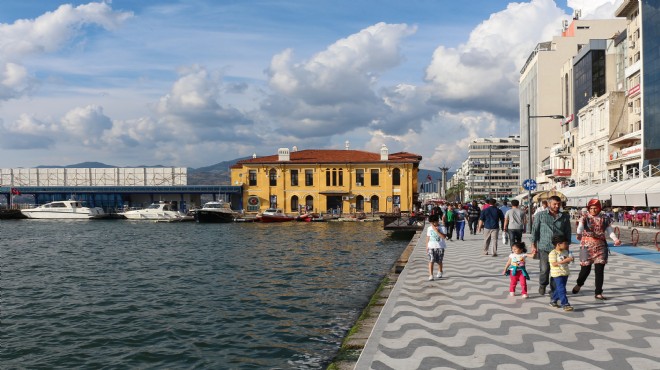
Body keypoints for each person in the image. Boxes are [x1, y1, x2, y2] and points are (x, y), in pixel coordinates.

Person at [572, 199, 621, 300]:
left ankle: (598, 292)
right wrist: (579, 234)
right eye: (591, 208)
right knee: (585, 270)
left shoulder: (604, 218)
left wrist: (615, 239)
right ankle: (579, 284)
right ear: (588, 208)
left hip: (601, 246)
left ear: (599, 208)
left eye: (595, 208)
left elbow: (609, 231)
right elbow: (580, 227)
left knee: (599, 270)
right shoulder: (585, 217)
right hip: (586, 246)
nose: (593, 210)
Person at [531, 195, 572, 296]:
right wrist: (533, 244)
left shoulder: (565, 216)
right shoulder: (540, 215)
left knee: (556, 270)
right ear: (549, 204)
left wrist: (567, 246)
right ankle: (543, 284)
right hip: (544, 246)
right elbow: (535, 230)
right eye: (554, 204)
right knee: (544, 269)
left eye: (559, 204)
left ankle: (553, 289)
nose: (557, 206)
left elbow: (568, 231)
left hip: (559, 248)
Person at [548, 234, 575, 312]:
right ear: (558, 244)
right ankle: (565, 304)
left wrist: (570, 260)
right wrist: (565, 260)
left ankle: (553, 301)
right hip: (557, 274)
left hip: (565, 273)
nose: (566, 245)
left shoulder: (565, 252)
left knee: (559, 289)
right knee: (562, 289)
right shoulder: (553, 253)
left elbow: (567, 262)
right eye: (565, 243)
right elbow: (554, 264)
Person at [426, 214, 447, 281]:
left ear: (437, 221)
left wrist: (437, 231)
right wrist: (427, 246)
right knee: (431, 260)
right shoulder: (429, 228)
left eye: (434, 222)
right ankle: (431, 275)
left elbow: (444, 237)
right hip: (431, 247)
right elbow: (428, 237)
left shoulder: (443, 227)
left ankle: (440, 271)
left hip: (440, 247)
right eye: (431, 222)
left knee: (439, 261)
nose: (432, 224)